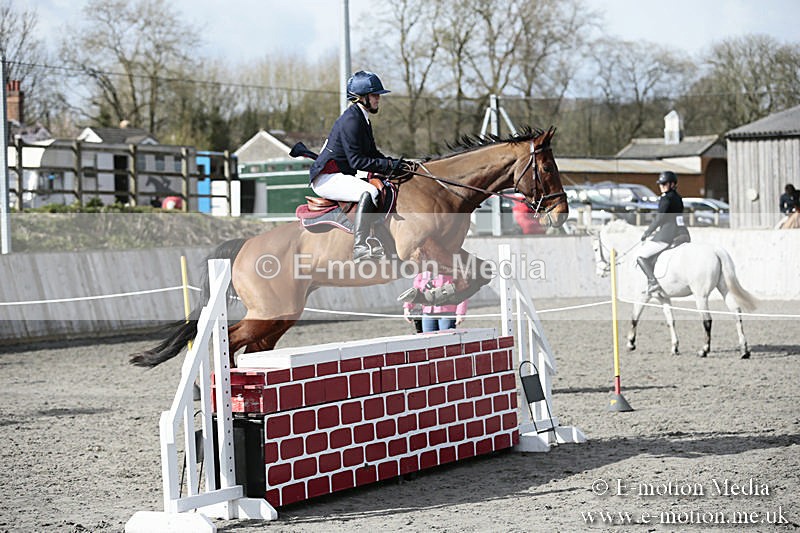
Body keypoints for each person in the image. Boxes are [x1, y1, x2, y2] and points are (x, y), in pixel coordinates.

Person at [308, 70, 409, 263]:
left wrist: (396, 165)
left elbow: (372, 154)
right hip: (327, 176)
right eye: (375, 95)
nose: (378, 99)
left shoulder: (362, 118)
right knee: (370, 192)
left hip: (340, 173)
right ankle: (360, 246)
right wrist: (388, 164)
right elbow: (357, 161)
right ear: (361, 98)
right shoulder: (351, 120)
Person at [636, 171, 690, 296]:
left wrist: (648, 231)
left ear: (672, 184)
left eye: (664, 183)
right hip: (682, 233)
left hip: (667, 235)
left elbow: (660, 218)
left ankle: (653, 282)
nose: (661, 186)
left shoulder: (666, 198)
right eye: (660, 184)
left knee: (641, 255)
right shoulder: (678, 197)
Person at [403, 272, 468, 333]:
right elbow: (416, 288)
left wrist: (460, 312)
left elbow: (461, 289)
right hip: (427, 311)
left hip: (447, 311)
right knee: (428, 340)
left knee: (445, 340)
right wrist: (407, 307)